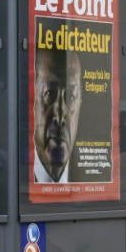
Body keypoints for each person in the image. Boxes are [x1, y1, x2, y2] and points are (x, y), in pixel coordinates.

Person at [33, 48, 83, 183]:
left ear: (79, 106)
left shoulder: (89, 180)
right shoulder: (16, 177)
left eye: (71, 97)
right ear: (32, 101)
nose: (60, 117)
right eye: (49, 94)